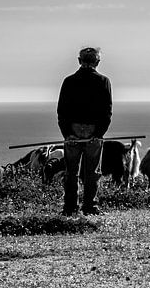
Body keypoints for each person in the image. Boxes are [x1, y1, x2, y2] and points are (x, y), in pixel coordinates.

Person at [57, 46, 112, 216]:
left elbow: (62, 111)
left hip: (72, 130)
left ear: (79, 61)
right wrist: (98, 134)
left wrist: (68, 134)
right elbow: (107, 112)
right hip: (93, 132)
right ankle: (90, 207)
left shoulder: (69, 81)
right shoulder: (104, 81)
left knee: (71, 172)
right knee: (92, 172)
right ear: (98, 62)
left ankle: (70, 208)